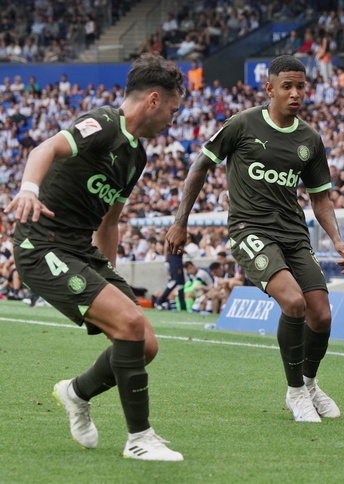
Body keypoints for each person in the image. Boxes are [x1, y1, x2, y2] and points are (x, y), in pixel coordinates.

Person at [3, 53, 185, 461]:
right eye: (173, 109)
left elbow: (109, 223)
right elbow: (45, 148)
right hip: (42, 245)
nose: (174, 119)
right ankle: (139, 439)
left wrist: (108, 281)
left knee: (146, 344)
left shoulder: (136, 156)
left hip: (81, 250)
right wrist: (29, 189)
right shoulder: (103, 123)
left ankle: (76, 392)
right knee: (130, 323)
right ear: (153, 100)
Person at [167, 55, 344, 423]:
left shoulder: (309, 139)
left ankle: (310, 383)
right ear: (269, 88)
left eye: (301, 86)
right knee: (294, 302)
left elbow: (320, 196)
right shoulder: (242, 124)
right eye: (287, 86)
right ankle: (295, 392)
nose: (295, 93)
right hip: (250, 231)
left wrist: (336, 238)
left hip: (294, 235)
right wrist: (180, 221)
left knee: (322, 315)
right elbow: (200, 166)